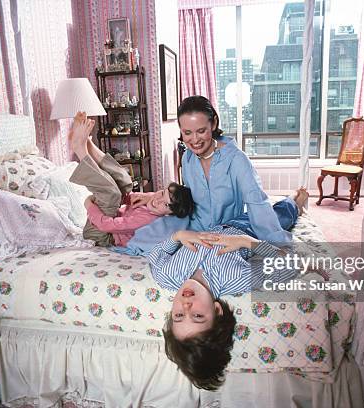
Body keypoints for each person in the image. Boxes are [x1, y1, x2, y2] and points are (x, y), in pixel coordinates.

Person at [148, 189, 308, 390]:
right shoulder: (235, 279)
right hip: (252, 229)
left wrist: (178, 236)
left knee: (243, 198)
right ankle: (297, 201)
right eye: (197, 315)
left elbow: (155, 256)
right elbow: (290, 265)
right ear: (216, 310)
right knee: (281, 212)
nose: (186, 305)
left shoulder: (166, 276)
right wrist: (246, 242)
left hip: (216, 223)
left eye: (179, 315)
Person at [128, 95, 293, 255]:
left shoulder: (236, 160)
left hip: (230, 228)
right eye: (187, 133)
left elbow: (257, 202)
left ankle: (294, 203)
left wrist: (276, 248)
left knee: (276, 217)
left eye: (201, 131)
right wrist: (150, 197)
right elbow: (187, 194)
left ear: (213, 123)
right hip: (197, 227)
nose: (194, 140)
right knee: (149, 238)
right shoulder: (187, 158)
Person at [68, 112, 195, 247]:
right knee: (126, 181)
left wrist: (89, 205)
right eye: (162, 193)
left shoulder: (146, 219)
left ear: (168, 214)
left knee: (112, 194)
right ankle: (88, 143)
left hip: (100, 234)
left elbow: (107, 225)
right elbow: (131, 197)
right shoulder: (154, 199)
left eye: (165, 204)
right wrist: (133, 197)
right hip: (109, 218)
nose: (158, 200)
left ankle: (80, 150)